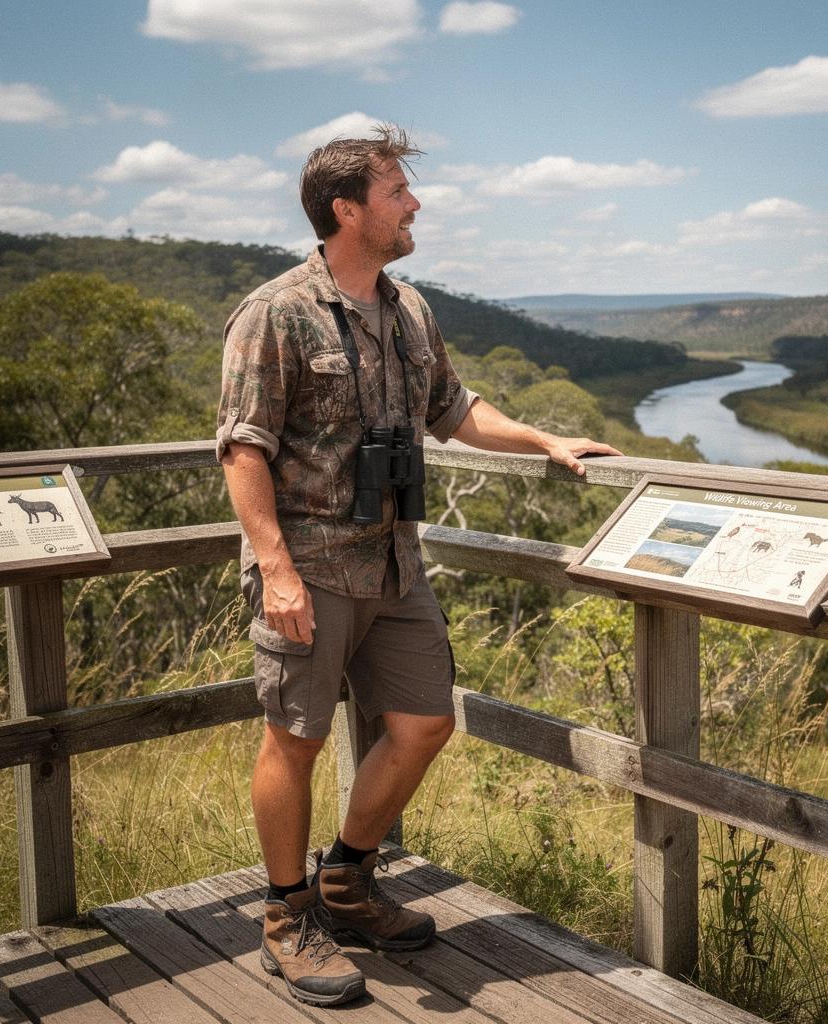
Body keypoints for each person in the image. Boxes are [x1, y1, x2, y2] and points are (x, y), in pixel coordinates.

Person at [216, 124, 621, 1006]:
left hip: (395, 562)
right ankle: (286, 917)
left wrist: (545, 439)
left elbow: (455, 408)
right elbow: (243, 448)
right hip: (312, 565)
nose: (416, 204)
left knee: (424, 724)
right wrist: (276, 570)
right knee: (296, 738)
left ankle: (346, 880)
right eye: (397, 191)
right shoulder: (277, 312)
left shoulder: (408, 310)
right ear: (346, 209)